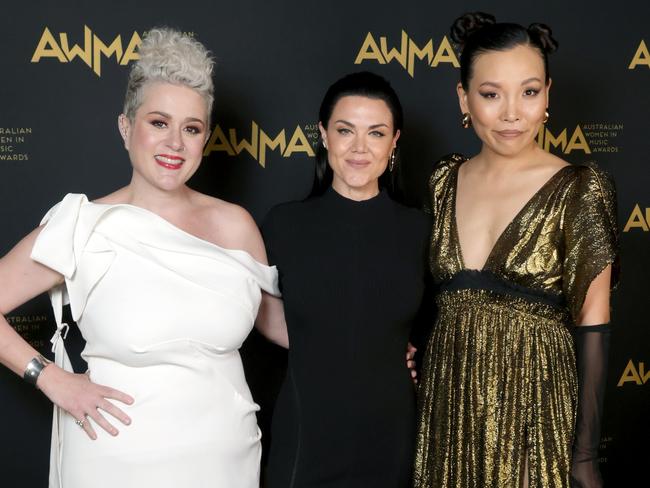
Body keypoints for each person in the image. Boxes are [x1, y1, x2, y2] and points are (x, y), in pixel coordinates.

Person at [0, 27, 279, 488]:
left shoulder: (236, 225)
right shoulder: (82, 225)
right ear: (126, 127)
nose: (175, 143)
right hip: (114, 461)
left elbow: (279, 325)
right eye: (158, 123)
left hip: (226, 462)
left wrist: (384, 346)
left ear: (205, 138)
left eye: (191, 128)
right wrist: (50, 378)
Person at [413, 12, 619, 488]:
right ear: (463, 98)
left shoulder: (581, 188)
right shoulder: (444, 180)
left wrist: (584, 457)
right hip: (449, 404)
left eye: (529, 92)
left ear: (548, 95)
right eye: (491, 94)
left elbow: (595, 327)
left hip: (533, 406)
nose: (512, 113)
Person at [256, 71, 430, 488]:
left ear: (395, 140)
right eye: (345, 130)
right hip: (306, 435)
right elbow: (254, 311)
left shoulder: (421, 230)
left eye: (376, 133)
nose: (359, 148)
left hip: (392, 437)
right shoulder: (284, 224)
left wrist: (417, 354)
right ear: (323, 134)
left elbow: (444, 321)